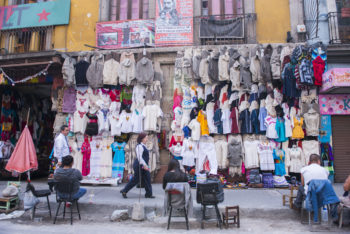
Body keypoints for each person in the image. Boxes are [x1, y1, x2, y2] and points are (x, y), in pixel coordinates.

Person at [120, 133, 154, 198]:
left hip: (143, 165)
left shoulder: (143, 145)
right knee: (136, 179)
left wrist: (145, 165)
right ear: (142, 139)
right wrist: (145, 165)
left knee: (147, 178)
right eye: (146, 138)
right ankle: (124, 190)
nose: (147, 139)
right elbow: (139, 157)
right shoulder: (139, 146)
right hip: (139, 165)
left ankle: (148, 194)